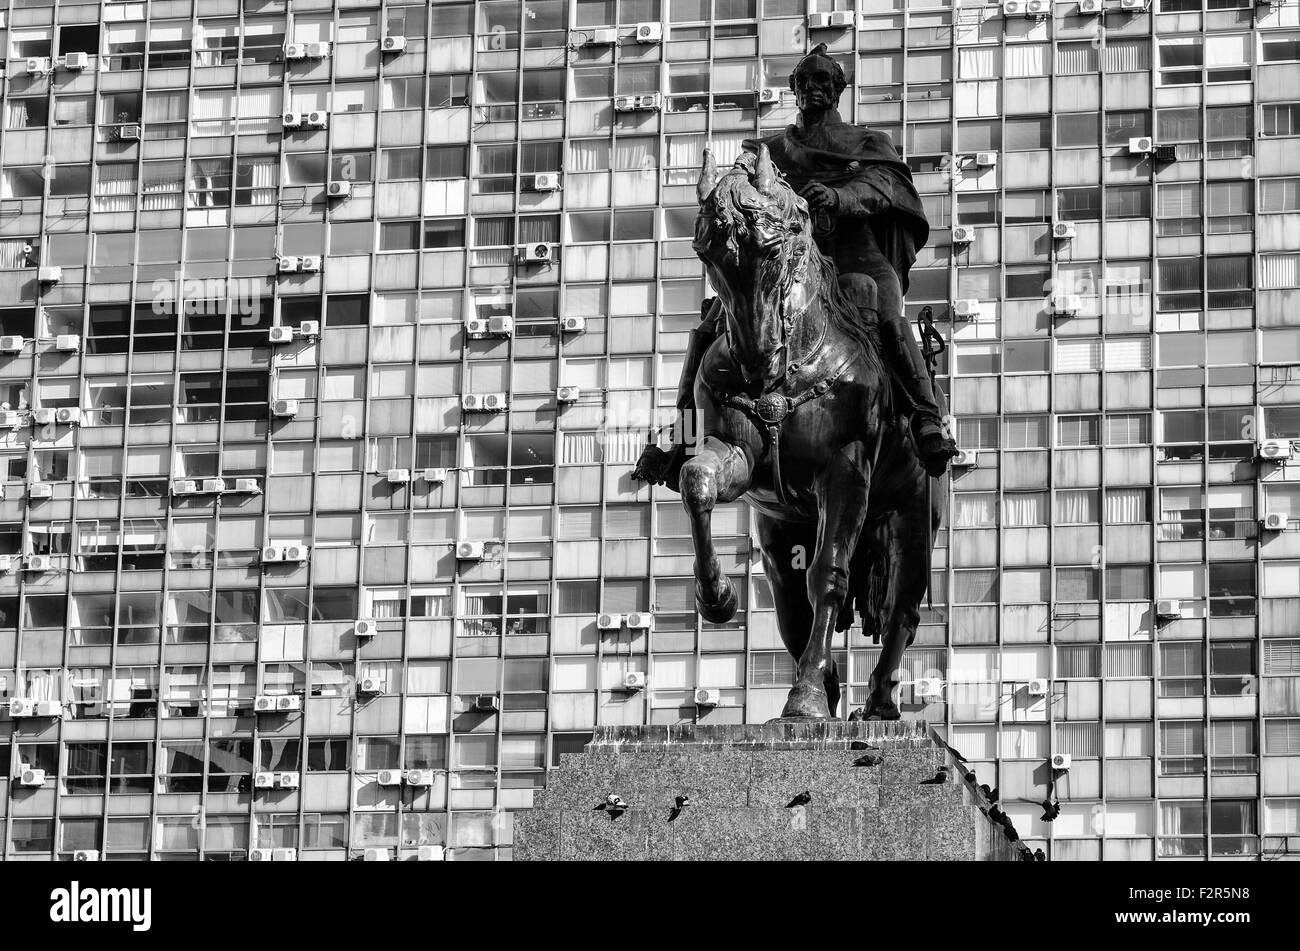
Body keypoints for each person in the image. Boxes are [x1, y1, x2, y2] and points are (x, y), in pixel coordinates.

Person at [636, 44, 957, 490]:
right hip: (783, 257)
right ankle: (680, 431)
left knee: (886, 314)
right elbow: (739, 184)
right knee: (714, 321)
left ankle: (925, 417)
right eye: (804, 81)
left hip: (853, 253)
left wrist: (842, 198)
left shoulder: (867, 142)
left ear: (838, 89)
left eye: (823, 80)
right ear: (794, 89)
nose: (813, 88)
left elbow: (889, 188)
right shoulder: (767, 149)